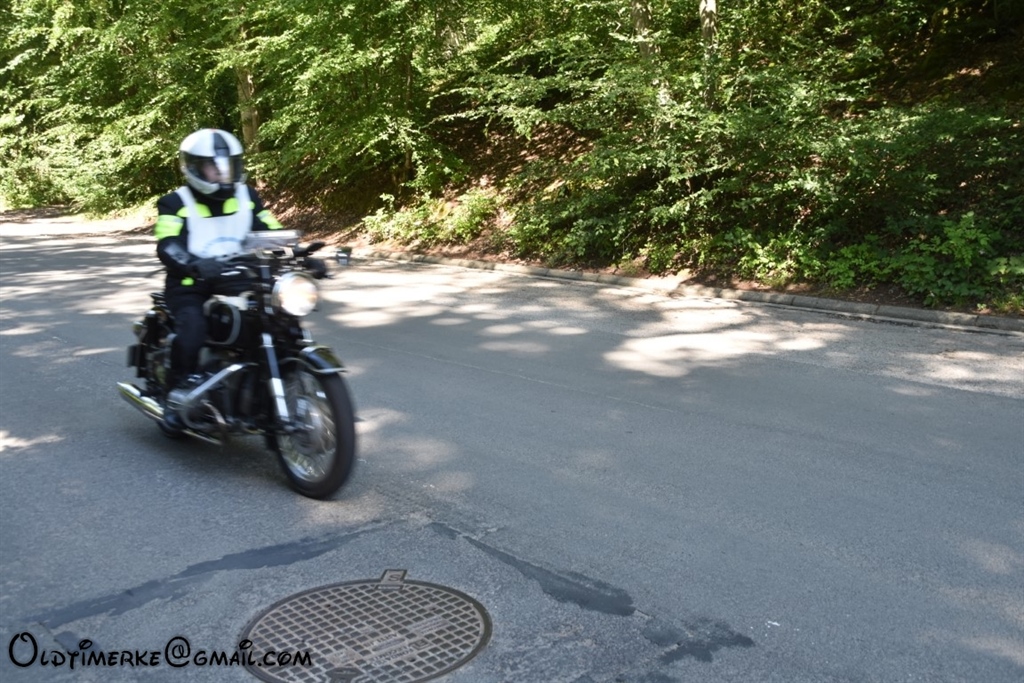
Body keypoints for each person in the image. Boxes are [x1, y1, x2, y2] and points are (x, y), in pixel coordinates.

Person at [154, 128, 320, 430]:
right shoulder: (174, 202)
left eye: (227, 165)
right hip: (192, 283)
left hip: (240, 277)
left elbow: (271, 230)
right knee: (193, 326)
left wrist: (300, 254)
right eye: (213, 167)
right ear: (193, 168)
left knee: (279, 319)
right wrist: (192, 264)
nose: (222, 172)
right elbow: (167, 244)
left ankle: (270, 383)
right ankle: (177, 394)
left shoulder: (247, 196)